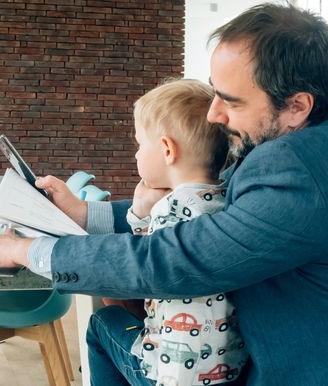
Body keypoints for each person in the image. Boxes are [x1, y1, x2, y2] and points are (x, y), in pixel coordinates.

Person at [0, 3, 328, 385]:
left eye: (231, 100)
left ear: (296, 106)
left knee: (109, 321)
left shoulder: (299, 178)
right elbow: (219, 217)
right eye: (215, 93)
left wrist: (28, 250)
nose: (213, 115)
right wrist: (89, 213)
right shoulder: (320, 135)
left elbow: (175, 260)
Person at [105, 78, 248, 385]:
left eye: (140, 144)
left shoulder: (171, 209)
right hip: (228, 373)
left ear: (167, 149)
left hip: (169, 375)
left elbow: (143, 266)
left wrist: (140, 212)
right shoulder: (229, 203)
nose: (136, 155)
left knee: (103, 323)